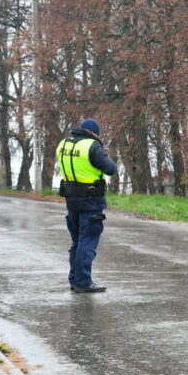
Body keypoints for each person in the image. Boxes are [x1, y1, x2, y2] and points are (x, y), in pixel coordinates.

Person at [56, 119, 118, 293]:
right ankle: (83, 281)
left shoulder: (63, 144)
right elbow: (110, 169)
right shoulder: (92, 146)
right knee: (87, 241)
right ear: (94, 133)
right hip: (91, 201)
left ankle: (74, 279)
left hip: (71, 199)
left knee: (76, 240)